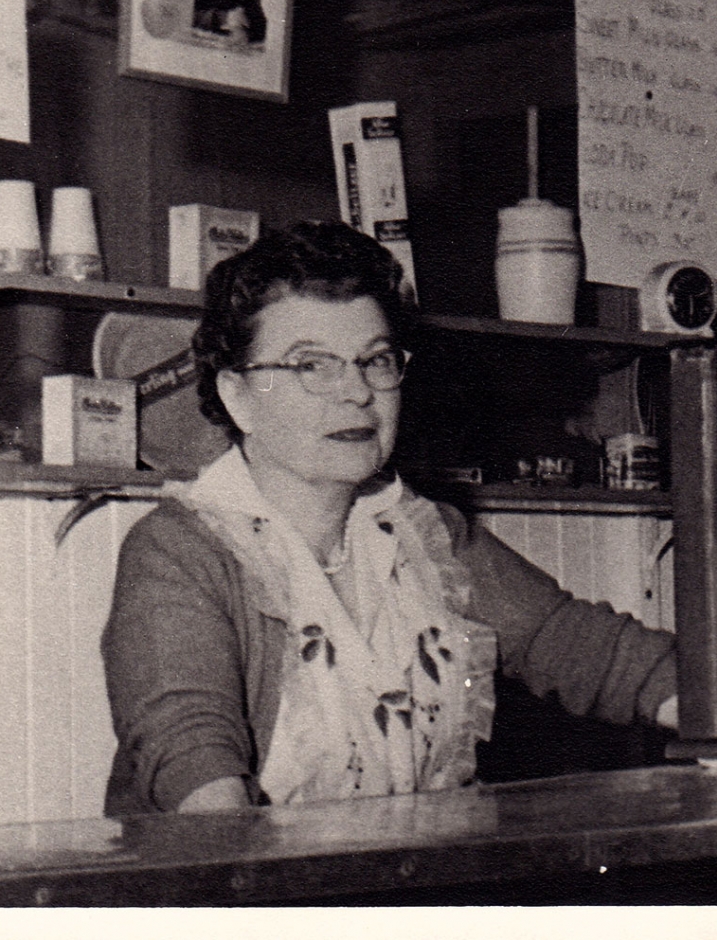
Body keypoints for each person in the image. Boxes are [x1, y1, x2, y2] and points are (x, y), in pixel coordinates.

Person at [101, 221, 678, 816]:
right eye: (311, 366)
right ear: (238, 396)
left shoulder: (424, 532)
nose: (355, 392)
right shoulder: (178, 550)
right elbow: (191, 754)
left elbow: (582, 647)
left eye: (374, 361)